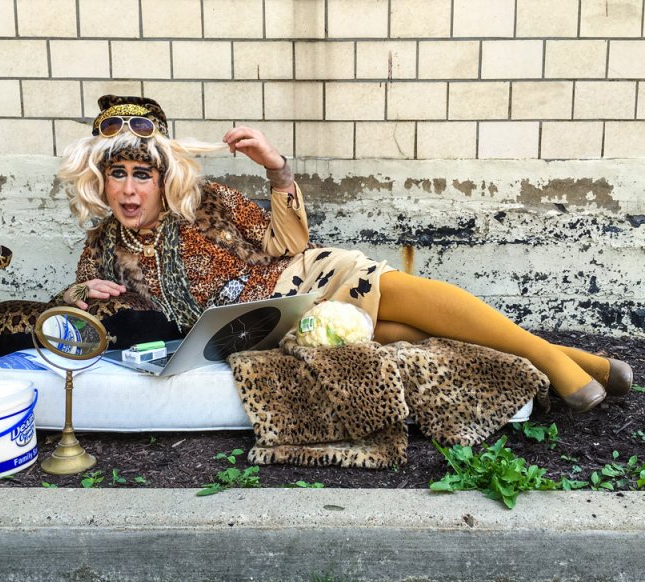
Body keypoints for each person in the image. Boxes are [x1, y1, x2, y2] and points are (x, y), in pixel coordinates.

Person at [55, 95, 633, 413]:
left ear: (163, 178)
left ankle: (559, 367)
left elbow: (290, 244)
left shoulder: (207, 202)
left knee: (401, 297)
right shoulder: (103, 245)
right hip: (268, 330)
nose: (129, 190)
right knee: (411, 332)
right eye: (117, 176)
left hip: (305, 280)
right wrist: (86, 294)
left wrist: (276, 169)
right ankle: (584, 360)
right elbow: (73, 314)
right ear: (99, 182)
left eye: (141, 175)